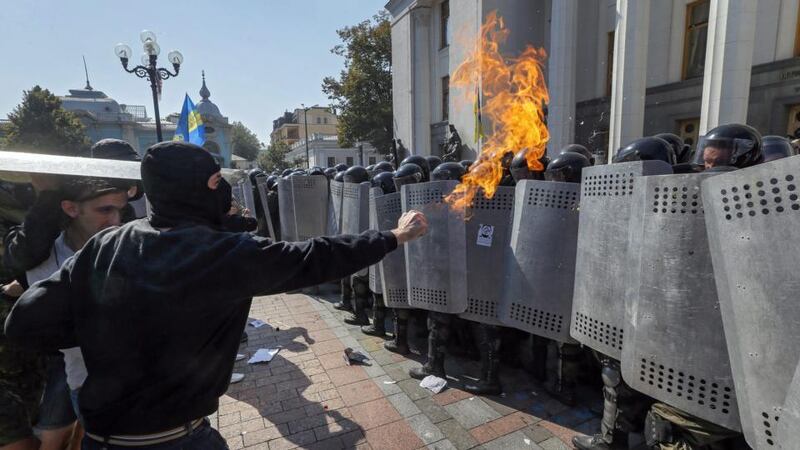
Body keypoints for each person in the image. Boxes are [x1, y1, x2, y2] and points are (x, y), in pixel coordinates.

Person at [4, 142, 428, 449]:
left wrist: (106, 331)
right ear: (202, 187)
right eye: (214, 182)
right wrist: (394, 235)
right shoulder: (222, 256)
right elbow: (316, 257)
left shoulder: (107, 243)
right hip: (174, 440)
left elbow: (25, 321)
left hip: (103, 438)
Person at [25, 177, 130, 449]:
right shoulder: (48, 261)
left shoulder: (130, 245)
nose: (116, 220)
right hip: (90, 384)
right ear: (71, 209)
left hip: (142, 379)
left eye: (120, 209)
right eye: (105, 210)